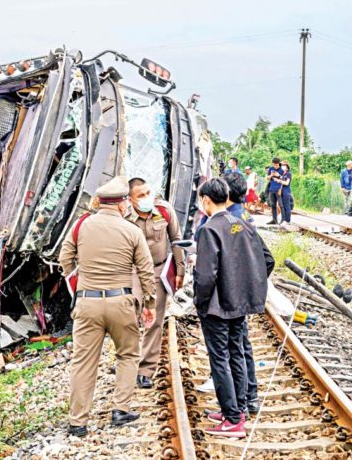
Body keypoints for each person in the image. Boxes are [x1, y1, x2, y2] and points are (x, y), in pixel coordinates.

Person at [59, 176, 157, 437]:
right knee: (128, 354)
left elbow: (64, 259)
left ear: (100, 202)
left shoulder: (81, 226)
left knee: (83, 362)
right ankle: (120, 409)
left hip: (87, 302)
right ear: (123, 203)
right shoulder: (132, 231)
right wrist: (149, 304)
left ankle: (78, 422)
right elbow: (146, 272)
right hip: (121, 302)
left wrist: (81, 279)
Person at [193, 178, 274, 438]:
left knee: (220, 359)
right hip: (240, 304)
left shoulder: (209, 230)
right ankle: (237, 409)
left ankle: (232, 419)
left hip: (217, 307)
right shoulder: (243, 224)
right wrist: (247, 285)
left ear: (206, 200)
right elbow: (268, 260)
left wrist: (200, 303)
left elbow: (205, 276)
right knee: (236, 353)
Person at [125, 177, 185, 389]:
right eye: (140, 196)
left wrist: (180, 269)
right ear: (131, 199)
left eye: (148, 193)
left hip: (159, 270)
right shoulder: (124, 216)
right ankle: (128, 363)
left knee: (155, 320)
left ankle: (146, 369)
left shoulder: (164, 210)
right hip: (133, 271)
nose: (146, 198)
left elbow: (176, 239)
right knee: (129, 318)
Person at [265, 158, 284, 224]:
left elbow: (284, 180)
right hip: (271, 189)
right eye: (274, 165)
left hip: (279, 190)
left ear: (279, 163)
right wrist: (271, 175)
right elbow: (267, 178)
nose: (275, 166)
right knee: (273, 205)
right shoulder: (271, 169)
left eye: (276, 165)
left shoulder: (282, 170)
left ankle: (283, 220)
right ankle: (274, 220)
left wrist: (280, 189)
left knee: (281, 205)